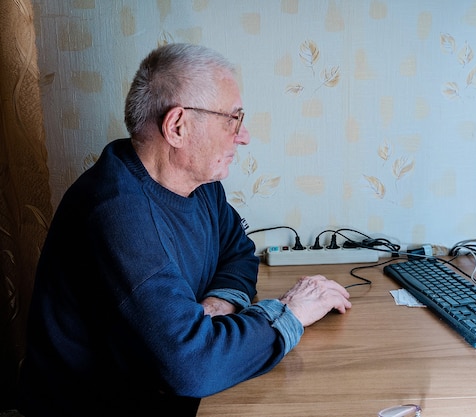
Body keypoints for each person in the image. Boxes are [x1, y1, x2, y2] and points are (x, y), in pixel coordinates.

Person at [17, 43, 352, 417]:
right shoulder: (116, 214)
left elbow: (238, 252)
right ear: (178, 127)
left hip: (160, 390)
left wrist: (219, 304)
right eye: (234, 119)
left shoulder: (201, 186)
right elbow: (191, 366)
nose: (244, 136)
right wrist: (289, 312)